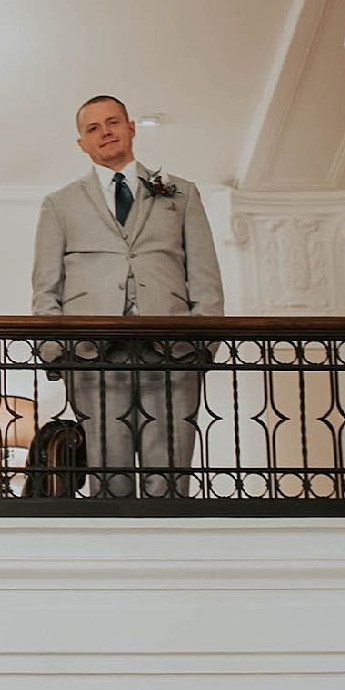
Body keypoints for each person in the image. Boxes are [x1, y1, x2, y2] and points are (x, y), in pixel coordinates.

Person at [31, 95, 222, 496]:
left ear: (131, 127)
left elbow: (204, 275)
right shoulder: (59, 204)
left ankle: (169, 552)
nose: (106, 133)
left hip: (172, 347)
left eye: (113, 122)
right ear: (81, 143)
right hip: (91, 351)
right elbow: (46, 286)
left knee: (170, 472)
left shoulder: (179, 192)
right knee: (107, 476)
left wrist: (203, 345)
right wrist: (55, 351)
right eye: (93, 128)